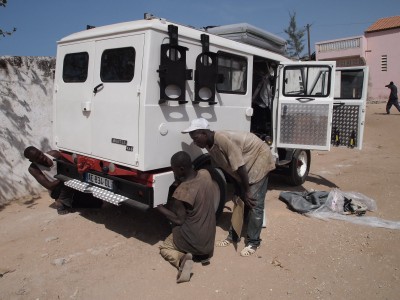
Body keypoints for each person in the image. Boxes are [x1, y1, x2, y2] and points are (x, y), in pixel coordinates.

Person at [182, 118, 275, 257]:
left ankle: (253, 242)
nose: (195, 142)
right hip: (245, 163)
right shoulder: (209, 144)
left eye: (196, 138)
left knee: (254, 202)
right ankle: (233, 236)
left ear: (204, 133)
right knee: (239, 201)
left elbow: (240, 166)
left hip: (259, 157)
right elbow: (229, 168)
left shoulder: (222, 139)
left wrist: (247, 191)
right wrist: (239, 189)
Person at [156, 151, 218, 283]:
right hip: (209, 242)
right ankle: (203, 256)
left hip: (196, 242)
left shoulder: (181, 192)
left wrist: (160, 208)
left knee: (165, 248)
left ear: (181, 169)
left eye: (174, 169)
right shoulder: (205, 174)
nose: (173, 173)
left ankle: (182, 260)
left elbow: (179, 219)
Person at [24, 146, 74, 215]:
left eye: (40, 154)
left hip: (68, 182)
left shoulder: (54, 154)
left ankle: (69, 200)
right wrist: (63, 177)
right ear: (32, 161)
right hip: (56, 190)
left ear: (40, 150)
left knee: (87, 201)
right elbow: (49, 186)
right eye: (37, 158)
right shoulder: (33, 169)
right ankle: (60, 202)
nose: (41, 157)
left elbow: (70, 165)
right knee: (66, 181)